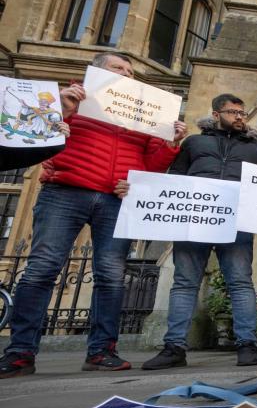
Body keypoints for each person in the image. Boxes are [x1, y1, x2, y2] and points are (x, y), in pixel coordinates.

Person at [0, 53, 186, 379]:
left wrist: (170, 143)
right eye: (118, 68)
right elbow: (33, 136)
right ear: (96, 72)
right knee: (42, 270)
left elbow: (152, 165)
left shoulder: (142, 115)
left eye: (130, 71)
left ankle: (102, 351)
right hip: (65, 192)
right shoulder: (71, 98)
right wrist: (63, 106)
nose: (127, 73)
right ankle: (20, 353)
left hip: (115, 200)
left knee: (111, 277)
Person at [142, 94, 257, 370]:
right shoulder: (194, 143)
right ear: (216, 114)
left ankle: (246, 346)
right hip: (193, 220)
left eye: (243, 113)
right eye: (233, 112)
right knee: (184, 283)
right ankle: (174, 347)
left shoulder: (256, 150)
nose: (240, 117)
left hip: (236, 222)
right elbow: (176, 178)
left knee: (241, 283)